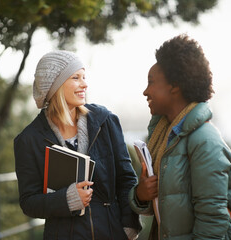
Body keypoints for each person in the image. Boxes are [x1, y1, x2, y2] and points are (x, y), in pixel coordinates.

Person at [14, 50, 141, 239]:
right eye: (76, 77)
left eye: (84, 77)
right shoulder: (29, 139)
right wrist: (66, 199)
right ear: (55, 85)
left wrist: (128, 228)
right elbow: (29, 202)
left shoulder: (105, 121)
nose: (84, 84)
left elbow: (126, 179)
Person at [129, 34, 231, 239]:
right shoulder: (164, 136)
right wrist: (141, 194)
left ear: (174, 86)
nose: (145, 91)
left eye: (151, 82)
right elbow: (164, 205)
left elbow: (212, 226)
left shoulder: (205, 142)